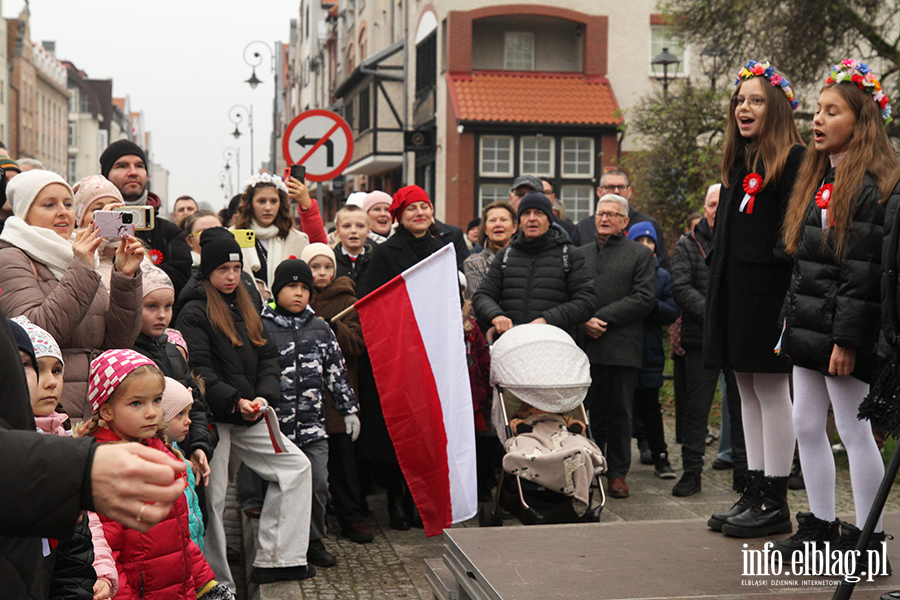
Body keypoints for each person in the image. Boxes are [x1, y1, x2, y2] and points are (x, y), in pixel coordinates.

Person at [775, 60, 897, 560]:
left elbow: (863, 269)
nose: (818, 121)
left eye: (832, 111)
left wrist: (846, 339)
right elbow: (807, 264)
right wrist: (789, 324)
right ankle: (822, 526)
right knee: (806, 424)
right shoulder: (820, 176)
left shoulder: (872, 185)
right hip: (807, 324)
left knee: (852, 429)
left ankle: (870, 541)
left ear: (861, 119)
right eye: (817, 111)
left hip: (841, 332)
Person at [174, 231, 314, 587]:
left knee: (297, 467)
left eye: (236, 267)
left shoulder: (247, 300)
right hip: (214, 418)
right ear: (208, 272)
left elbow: (268, 355)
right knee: (214, 500)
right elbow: (199, 370)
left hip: (250, 411)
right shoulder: (193, 310)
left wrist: (263, 398)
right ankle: (219, 583)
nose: (232, 275)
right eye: (223, 268)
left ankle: (278, 558)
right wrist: (234, 400)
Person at [705, 60, 805, 538]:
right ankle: (753, 486)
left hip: (768, 295)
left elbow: (791, 236)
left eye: (756, 100)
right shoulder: (739, 161)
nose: (744, 107)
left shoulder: (796, 159)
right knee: (744, 389)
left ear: (778, 108)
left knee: (770, 391)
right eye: (740, 100)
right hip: (735, 291)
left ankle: (775, 498)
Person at [74, 349, 230, 600]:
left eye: (157, 400)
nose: (152, 412)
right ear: (106, 411)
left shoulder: (161, 450)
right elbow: (106, 553)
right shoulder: (105, 469)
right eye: (137, 403)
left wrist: (204, 583)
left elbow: (180, 537)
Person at [0, 170, 144, 422]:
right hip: (53, 407)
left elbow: (117, 343)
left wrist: (125, 277)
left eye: (68, 204)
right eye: (49, 204)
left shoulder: (78, 254)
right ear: (24, 212)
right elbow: (35, 332)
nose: (63, 212)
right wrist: (82, 268)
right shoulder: (10, 256)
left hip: (96, 402)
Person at [357, 185, 454, 530]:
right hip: (400, 350)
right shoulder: (385, 254)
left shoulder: (443, 250)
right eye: (411, 209)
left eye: (425, 207)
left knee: (429, 427)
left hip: (433, 351)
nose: (420, 214)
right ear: (399, 216)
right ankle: (398, 496)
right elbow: (375, 301)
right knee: (400, 428)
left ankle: (424, 499)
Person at [258, 257, 360, 566]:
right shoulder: (262, 327)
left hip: (314, 427)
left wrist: (348, 410)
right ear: (277, 291)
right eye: (292, 286)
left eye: (304, 287)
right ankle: (279, 545)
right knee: (279, 488)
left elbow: (336, 373)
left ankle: (313, 540)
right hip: (276, 428)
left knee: (317, 484)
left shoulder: (320, 328)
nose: (299, 293)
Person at [14, 316, 119, 600]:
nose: (50, 382)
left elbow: (86, 522)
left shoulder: (64, 437)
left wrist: (101, 569)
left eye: (57, 370)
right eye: (32, 366)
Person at [575, 195, 656, 499]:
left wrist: (601, 318)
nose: (604, 218)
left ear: (625, 221)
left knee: (621, 412)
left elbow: (644, 297)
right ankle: (590, 467)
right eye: (600, 213)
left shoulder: (640, 255)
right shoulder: (579, 254)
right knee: (590, 412)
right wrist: (584, 320)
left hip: (622, 345)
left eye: (612, 214)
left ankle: (618, 472)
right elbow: (571, 295)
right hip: (587, 346)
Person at [672, 184, 747, 500]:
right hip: (699, 337)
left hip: (736, 339)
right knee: (696, 409)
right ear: (704, 208)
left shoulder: (740, 239)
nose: (716, 209)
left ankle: (745, 475)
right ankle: (691, 473)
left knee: (742, 410)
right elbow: (681, 287)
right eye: (711, 203)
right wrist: (715, 314)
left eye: (722, 203)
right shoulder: (686, 244)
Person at [302, 243, 373, 544]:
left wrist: (334, 328)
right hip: (304, 397)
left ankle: (351, 516)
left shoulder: (347, 300)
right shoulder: (295, 299)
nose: (321, 273)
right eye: (315, 267)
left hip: (336, 395)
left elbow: (357, 344)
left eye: (327, 267)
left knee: (344, 461)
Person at [132, 265, 216, 503]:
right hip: (157, 466)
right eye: (152, 307)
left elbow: (196, 404)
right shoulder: (129, 355)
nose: (162, 315)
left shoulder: (173, 351)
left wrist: (199, 445)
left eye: (168, 307)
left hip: (186, 460)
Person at [472, 192, 596, 339]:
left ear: (549, 220)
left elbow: (586, 302)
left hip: (555, 344)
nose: (532, 218)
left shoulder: (569, 255)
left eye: (539, 213)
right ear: (519, 221)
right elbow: (482, 295)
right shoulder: (506, 255)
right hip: (511, 343)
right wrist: (496, 315)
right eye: (526, 213)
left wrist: (547, 320)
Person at [100, 139, 192, 296]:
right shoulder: (92, 228)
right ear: (106, 174)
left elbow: (181, 277)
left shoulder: (169, 233)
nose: (133, 172)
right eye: (122, 166)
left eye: (139, 166)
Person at [627, 222, 679, 480]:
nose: (645, 247)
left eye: (650, 242)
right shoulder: (623, 271)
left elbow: (672, 312)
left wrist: (652, 305)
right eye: (640, 241)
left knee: (650, 406)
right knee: (618, 406)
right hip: (623, 348)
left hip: (650, 350)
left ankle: (660, 455)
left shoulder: (663, 277)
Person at [231, 173, 327, 298]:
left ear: (280, 204)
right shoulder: (232, 236)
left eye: (273, 201)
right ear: (250, 204)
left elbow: (320, 254)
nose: (268, 207)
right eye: (261, 201)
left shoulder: (297, 239)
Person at [570, 170, 670, 269]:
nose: (616, 191)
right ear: (599, 192)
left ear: (629, 191)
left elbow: (663, 265)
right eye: (610, 187)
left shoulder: (647, 224)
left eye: (621, 187)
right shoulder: (583, 227)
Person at [160, 377, 206, 551]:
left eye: (188, 413)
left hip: (192, 546)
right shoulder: (161, 461)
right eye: (179, 414)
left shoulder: (176, 449)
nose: (189, 421)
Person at [463, 201, 517, 300]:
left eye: (504, 220)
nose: (498, 224)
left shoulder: (525, 258)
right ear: (485, 229)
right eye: (492, 220)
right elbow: (477, 301)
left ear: (514, 227)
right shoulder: (473, 263)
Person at [333, 204, 374, 285]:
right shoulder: (331, 261)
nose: (353, 231)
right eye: (347, 226)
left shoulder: (376, 260)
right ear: (338, 232)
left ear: (368, 231)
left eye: (360, 226)